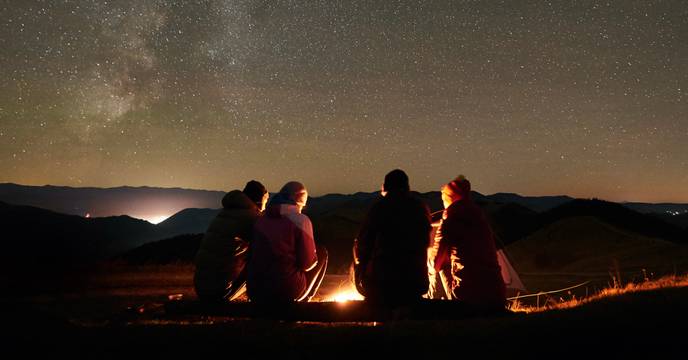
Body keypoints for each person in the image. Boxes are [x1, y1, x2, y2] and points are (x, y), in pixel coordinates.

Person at [353, 169, 432, 305]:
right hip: (415, 284)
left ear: (385, 186)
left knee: (358, 251)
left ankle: (367, 289)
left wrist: (361, 267)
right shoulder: (420, 208)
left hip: (382, 283)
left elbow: (363, 243)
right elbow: (425, 242)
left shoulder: (379, 207)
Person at [246, 181, 328, 304]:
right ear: (300, 202)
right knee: (321, 253)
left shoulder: (260, 220)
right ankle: (304, 301)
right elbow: (307, 263)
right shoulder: (301, 221)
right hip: (286, 291)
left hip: (256, 291)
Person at [433, 175, 506, 309]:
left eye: (444, 200)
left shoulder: (449, 218)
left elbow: (435, 264)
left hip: (468, 298)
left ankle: (449, 304)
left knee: (441, 262)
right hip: (498, 296)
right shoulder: (479, 216)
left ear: (449, 199)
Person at [193, 180, 268, 303]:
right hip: (219, 292)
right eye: (266, 200)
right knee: (263, 259)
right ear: (260, 200)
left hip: (201, 288)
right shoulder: (252, 218)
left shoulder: (225, 213)